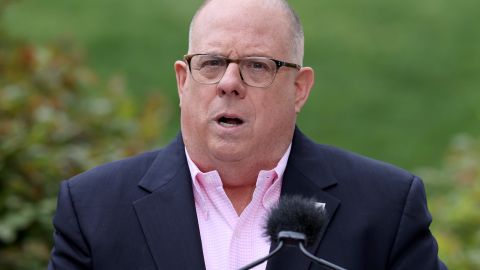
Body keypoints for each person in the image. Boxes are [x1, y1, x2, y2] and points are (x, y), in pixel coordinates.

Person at [48, 0, 447, 269]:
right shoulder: (93, 209)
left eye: (257, 66)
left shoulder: (385, 207)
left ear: (299, 89)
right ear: (183, 81)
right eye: (212, 63)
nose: (229, 83)